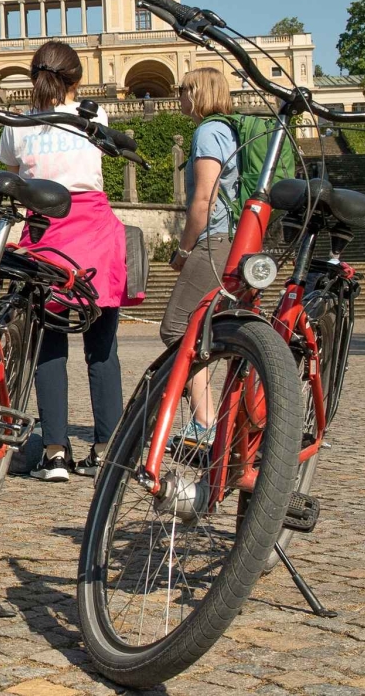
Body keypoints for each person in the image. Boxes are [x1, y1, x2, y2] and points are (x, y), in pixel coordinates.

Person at [0, 41, 127, 482]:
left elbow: (12, 174)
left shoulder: (18, 124)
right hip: (94, 232)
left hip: (46, 234)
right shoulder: (95, 118)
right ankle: (107, 449)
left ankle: (54, 453)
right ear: (78, 80)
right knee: (102, 348)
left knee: (49, 348)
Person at [159, 66, 239, 444]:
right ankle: (208, 420)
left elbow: (203, 199)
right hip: (229, 240)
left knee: (177, 327)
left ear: (198, 92)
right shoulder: (226, 129)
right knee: (199, 331)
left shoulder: (207, 132)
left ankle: (206, 422)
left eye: (183, 89)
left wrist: (184, 249)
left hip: (212, 241)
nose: (179, 96)